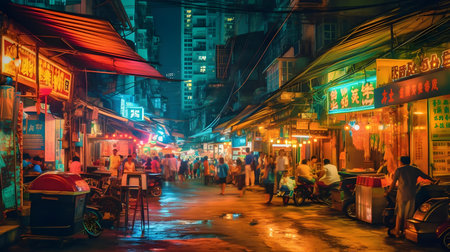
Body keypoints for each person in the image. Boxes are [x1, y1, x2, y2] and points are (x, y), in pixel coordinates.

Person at [385, 156, 436, 238]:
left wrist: (388, 192)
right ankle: (406, 231)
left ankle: (397, 231)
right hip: (412, 194)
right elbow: (425, 176)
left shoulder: (399, 170)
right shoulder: (415, 169)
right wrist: (433, 180)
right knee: (409, 214)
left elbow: (393, 183)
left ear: (401, 162)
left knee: (399, 213)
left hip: (402, 195)